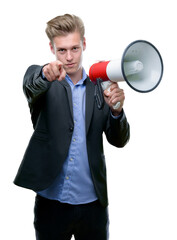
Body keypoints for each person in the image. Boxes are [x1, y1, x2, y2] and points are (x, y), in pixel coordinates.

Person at [14, 14, 130, 240]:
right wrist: (45, 74)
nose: (69, 57)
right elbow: (31, 84)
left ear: (84, 44)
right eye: (62, 50)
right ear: (52, 48)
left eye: (75, 48)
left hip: (93, 205)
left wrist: (116, 110)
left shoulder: (101, 86)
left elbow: (119, 140)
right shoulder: (43, 80)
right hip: (51, 204)